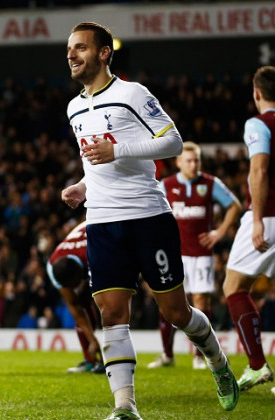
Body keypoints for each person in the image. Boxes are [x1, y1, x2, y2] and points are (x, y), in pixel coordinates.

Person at [61, 22, 238, 420]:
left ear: (105, 53)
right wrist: (82, 186)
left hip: (147, 215)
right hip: (103, 220)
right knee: (110, 312)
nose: (71, 55)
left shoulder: (131, 94)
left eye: (81, 48)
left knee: (176, 313)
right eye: (69, 49)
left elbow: (172, 141)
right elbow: (98, 163)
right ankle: (126, 406)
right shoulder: (73, 107)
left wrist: (119, 149)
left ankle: (217, 361)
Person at [148, 141, 241, 370]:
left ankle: (200, 356)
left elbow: (234, 206)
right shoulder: (166, 185)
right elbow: (151, 211)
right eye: (189, 160)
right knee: (168, 303)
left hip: (201, 254)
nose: (193, 164)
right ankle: (167, 355)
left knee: (200, 301)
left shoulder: (210, 184)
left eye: (197, 160)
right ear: (179, 162)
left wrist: (219, 232)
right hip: (173, 253)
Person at [223, 65, 275, 392]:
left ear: (257, 93)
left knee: (234, 287)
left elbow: (259, 170)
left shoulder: (258, 123)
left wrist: (256, 217)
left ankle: (257, 366)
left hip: (269, 215)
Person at [45, 221, 105, 375]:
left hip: (104, 235)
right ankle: (91, 360)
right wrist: (92, 340)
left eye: (74, 285)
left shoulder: (94, 252)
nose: (73, 289)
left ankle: (113, 358)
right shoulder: (53, 266)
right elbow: (75, 308)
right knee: (81, 304)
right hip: (85, 250)